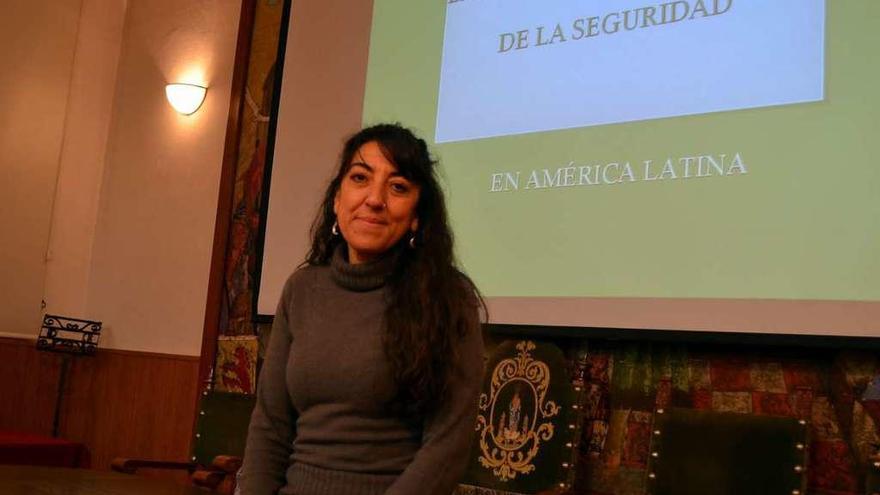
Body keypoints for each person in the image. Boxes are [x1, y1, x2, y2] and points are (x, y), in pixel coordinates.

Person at [237, 123, 486, 495]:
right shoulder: (302, 290)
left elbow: (446, 448)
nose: (374, 198)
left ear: (417, 215)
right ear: (338, 199)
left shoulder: (449, 297)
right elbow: (270, 426)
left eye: (398, 186)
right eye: (360, 178)